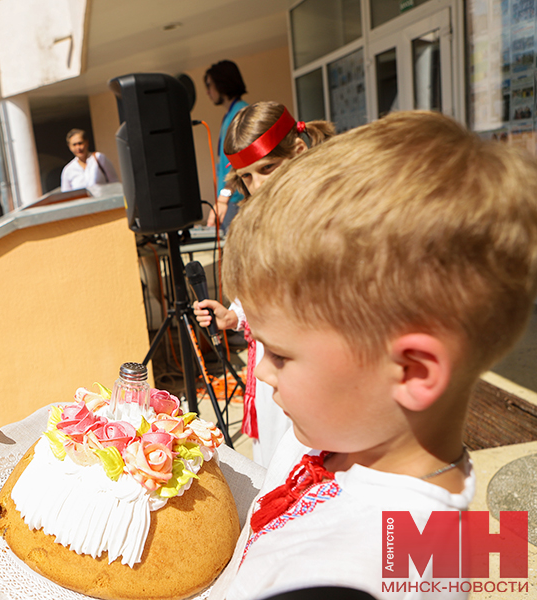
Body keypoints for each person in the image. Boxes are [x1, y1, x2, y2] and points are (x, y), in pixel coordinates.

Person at [212, 110, 537, 599]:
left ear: (411, 371)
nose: (261, 370)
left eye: (280, 355)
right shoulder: (347, 433)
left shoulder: (363, 575)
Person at [194, 102, 335, 468]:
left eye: (266, 169)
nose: (256, 186)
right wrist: (233, 317)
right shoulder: (255, 224)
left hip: (316, 375)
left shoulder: (331, 215)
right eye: (246, 177)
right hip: (271, 374)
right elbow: (257, 294)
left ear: (298, 152)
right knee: (276, 469)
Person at [203, 60, 248, 233]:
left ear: (222, 83)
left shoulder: (241, 113)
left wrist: (223, 198)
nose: (207, 91)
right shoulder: (229, 115)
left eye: (209, 85)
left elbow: (240, 162)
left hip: (236, 201)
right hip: (230, 200)